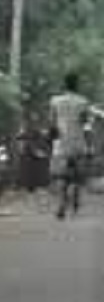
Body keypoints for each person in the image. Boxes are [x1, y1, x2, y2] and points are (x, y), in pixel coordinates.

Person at [49, 72, 92, 219]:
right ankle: (75, 198)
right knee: (77, 176)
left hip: (61, 142)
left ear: (64, 84)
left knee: (61, 176)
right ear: (77, 85)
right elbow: (85, 124)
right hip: (78, 141)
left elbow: (52, 124)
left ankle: (61, 203)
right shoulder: (83, 102)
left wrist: (51, 140)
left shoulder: (55, 101)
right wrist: (89, 145)